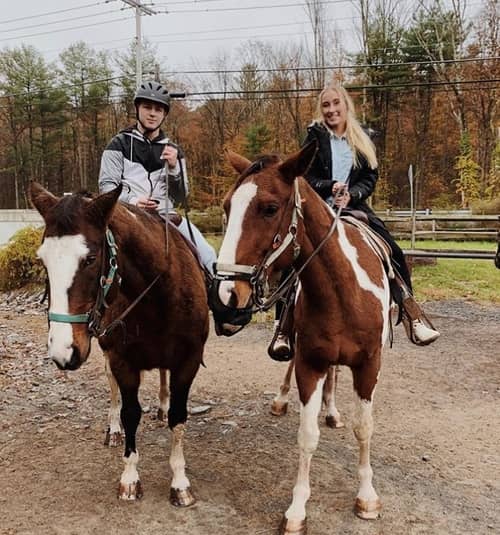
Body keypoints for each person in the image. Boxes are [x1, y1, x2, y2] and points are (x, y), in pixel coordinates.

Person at [269, 83, 439, 360]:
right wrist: (330, 186)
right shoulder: (314, 136)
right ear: (320, 110)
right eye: (326, 105)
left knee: (392, 248)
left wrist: (353, 194)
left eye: (336, 103)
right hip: (319, 207)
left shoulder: (364, 136)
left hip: (355, 207)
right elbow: (305, 177)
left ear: (346, 106)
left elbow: (370, 177)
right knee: (294, 252)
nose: (331, 109)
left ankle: (411, 312)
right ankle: (283, 327)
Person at [98, 80, 216, 275]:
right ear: (137, 108)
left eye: (158, 109)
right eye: (147, 107)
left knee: (209, 256)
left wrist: (173, 169)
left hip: (166, 217)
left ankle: (217, 302)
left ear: (164, 114)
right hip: (128, 216)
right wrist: (134, 201)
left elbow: (181, 198)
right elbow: (106, 188)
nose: (152, 113)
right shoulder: (117, 144)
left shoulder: (174, 150)